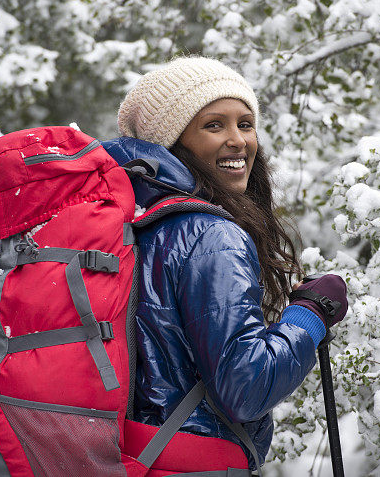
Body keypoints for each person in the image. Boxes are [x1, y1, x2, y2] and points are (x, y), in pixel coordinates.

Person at [102, 56, 348, 472]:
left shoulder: (135, 222)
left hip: (135, 454)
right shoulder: (210, 235)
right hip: (194, 459)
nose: (238, 141)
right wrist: (311, 315)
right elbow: (245, 387)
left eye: (245, 124)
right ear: (174, 141)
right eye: (214, 125)